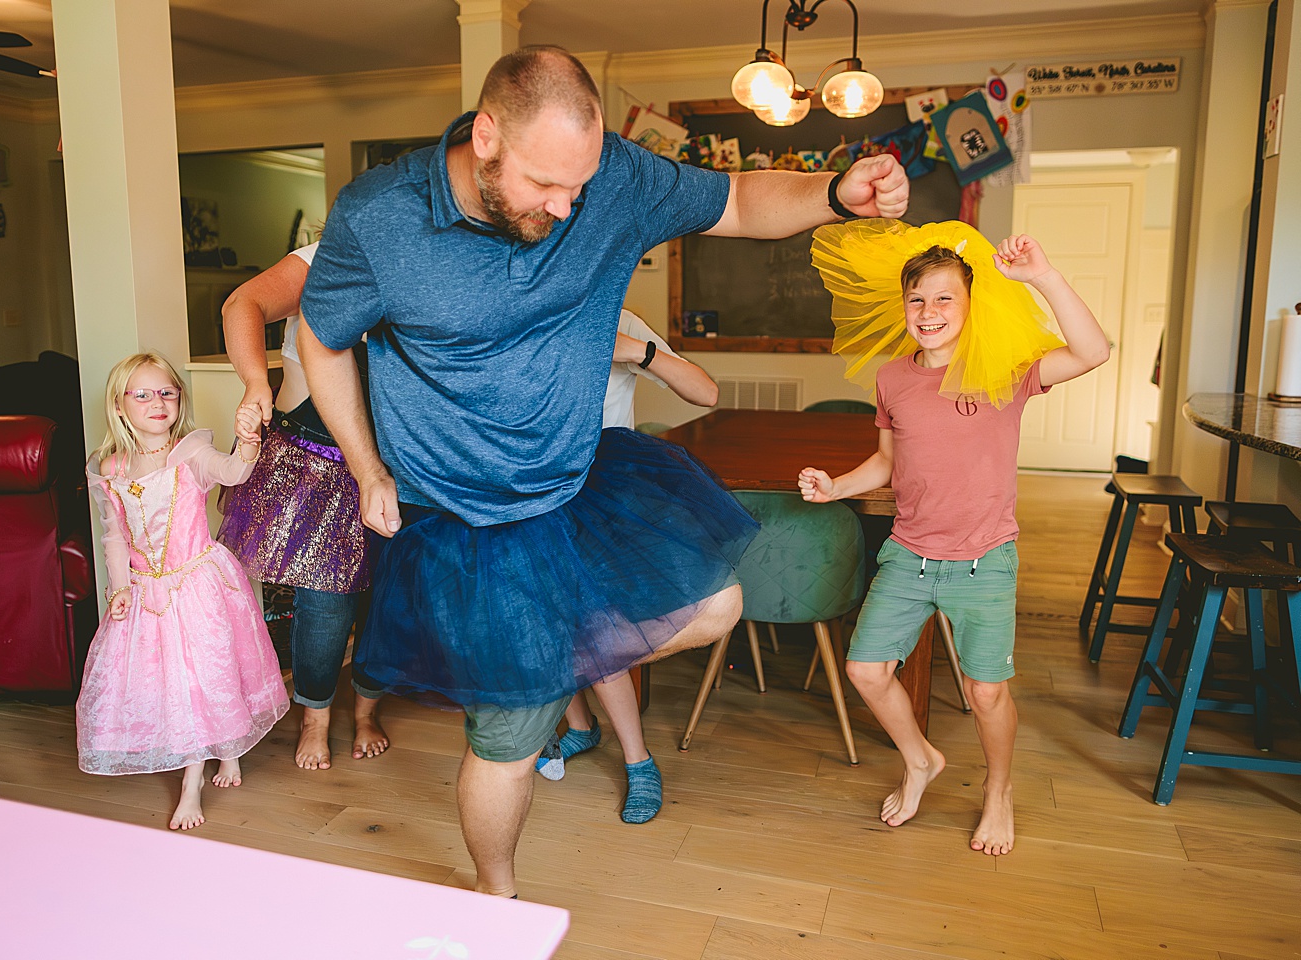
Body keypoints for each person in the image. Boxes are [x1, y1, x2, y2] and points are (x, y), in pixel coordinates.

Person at [298, 45, 909, 897]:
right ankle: (497, 897)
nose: (567, 205)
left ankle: (555, 678)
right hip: (463, 520)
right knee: (504, 744)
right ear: (485, 137)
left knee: (720, 602)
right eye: (547, 185)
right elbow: (320, 340)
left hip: (576, 486)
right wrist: (366, 469)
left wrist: (836, 193)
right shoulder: (381, 217)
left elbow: (737, 199)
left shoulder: (610, 178)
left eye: (579, 185)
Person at [799, 222, 1110, 856]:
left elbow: (1094, 350)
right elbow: (887, 460)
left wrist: (1043, 275)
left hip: (983, 562)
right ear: (903, 307)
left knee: (985, 689)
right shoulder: (892, 379)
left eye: (944, 298)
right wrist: (837, 486)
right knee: (866, 670)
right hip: (909, 554)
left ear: (971, 305)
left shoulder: (1004, 371)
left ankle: (999, 791)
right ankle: (919, 760)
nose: (928, 311)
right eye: (917, 299)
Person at [77, 352, 290, 830]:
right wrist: (119, 588)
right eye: (144, 394)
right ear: (119, 405)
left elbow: (234, 472)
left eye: (167, 393)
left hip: (198, 584)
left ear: (179, 400)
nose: (158, 402)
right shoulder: (110, 467)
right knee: (173, 682)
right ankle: (222, 750)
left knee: (208, 675)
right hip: (145, 590)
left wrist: (249, 443)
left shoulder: (190, 454)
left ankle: (196, 781)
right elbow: (114, 534)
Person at [539, 309, 719, 826]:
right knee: (549, 618)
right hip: (531, 487)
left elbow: (706, 394)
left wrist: (635, 351)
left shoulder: (620, 318)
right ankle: (579, 725)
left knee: (597, 628)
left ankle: (639, 760)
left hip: (601, 492)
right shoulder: (521, 303)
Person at [216, 243, 388, 771]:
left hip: (398, 462)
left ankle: (366, 710)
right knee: (324, 601)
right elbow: (241, 304)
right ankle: (315, 716)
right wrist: (254, 383)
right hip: (311, 462)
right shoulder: (326, 257)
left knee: (389, 594)